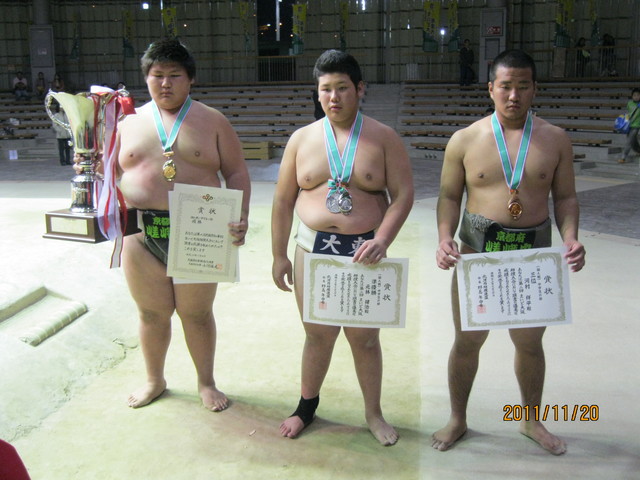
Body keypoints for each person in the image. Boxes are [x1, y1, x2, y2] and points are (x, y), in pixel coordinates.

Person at [433, 49, 586, 455]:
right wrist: (444, 237)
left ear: (535, 89)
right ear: (490, 88)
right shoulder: (465, 140)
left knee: (530, 344)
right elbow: (449, 196)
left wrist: (570, 237)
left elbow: (566, 197)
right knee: (467, 342)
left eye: (522, 86)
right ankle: (457, 419)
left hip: (532, 257)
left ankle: (531, 420)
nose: (513, 95)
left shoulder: (555, 139)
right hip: (477, 254)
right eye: (505, 86)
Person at [271, 49, 414, 446]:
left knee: (364, 339)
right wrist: (278, 254)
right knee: (317, 335)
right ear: (317, 93)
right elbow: (282, 201)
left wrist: (383, 239)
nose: (333, 97)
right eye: (325, 89)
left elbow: (403, 195)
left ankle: (373, 413)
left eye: (342, 88)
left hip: (364, 251)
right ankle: (306, 407)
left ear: (360, 89)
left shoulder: (383, 138)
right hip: (311, 249)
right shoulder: (301, 140)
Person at [108, 38, 251, 411]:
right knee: (151, 313)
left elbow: (236, 171)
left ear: (190, 79)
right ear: (146, 78)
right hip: (140, 229)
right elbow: (107, 172)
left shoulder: (212, 121)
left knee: (197, 314)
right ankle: (154, 380)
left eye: (174, 75)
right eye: (157, 75)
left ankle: (206, 382)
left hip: (200, 228)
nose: (165, 83)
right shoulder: (126, 123)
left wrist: (242, 214)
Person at [619, 88, 640, 164]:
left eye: (638, 95)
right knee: (633, 141)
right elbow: (629, 113)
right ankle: (639, 150)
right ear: (632, 96)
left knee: (629, 141)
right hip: (629, 125)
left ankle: (623, 157)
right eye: (634, 95)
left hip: (636, 126)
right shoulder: (629, 103)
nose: (636, 97)